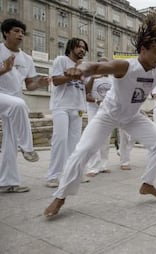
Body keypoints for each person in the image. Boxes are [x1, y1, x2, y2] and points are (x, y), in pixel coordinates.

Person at [44, 13, 156, 217]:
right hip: (108, 115)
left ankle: (147, 184)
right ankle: (60, 197)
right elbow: (98, 66)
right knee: (82, 152)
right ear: (143, 50)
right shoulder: (126, 66)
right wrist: (80, 68)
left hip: (132, 116)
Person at [0, 18, 49, 193]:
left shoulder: (26, 59)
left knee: (10, 141)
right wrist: (4, 69)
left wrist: (40, 84)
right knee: (20, 105)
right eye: (16, 31)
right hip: (2, 97)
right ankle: (28, 148)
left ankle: (7, 182)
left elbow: (29, 85)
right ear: (6, 32)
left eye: (22, 32)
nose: (20, 35)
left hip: (14, 100)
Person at [46, 38, 89, 188]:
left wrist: (88, 75)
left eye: (83, 47)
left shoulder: (84, 66)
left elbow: (86, 88)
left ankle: (73, 173)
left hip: (77, 107)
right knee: (60, 140)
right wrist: (73, 74)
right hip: (61, 106)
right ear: (70, 47)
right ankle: (54, 176)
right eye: (78, 46)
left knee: (75, 143)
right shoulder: (61, 60)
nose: (82, 50)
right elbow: (56, 81)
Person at [84, 57, 113, 177]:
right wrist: (97, 101)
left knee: (106, 139)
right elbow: (86, 94)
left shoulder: (112, 80)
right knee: (94, 137)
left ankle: (103, 165)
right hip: (94, 110)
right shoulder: (91, 78)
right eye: (101, 66)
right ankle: (92, 167)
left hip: (108, 111)